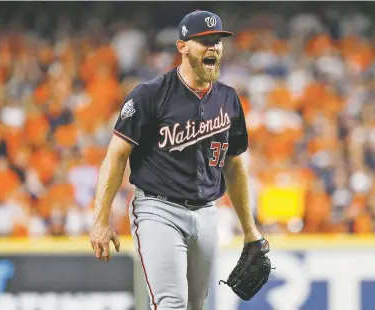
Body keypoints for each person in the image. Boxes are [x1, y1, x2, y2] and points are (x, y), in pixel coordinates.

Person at [89, 10, 266, 310]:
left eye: (218, 41)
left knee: (197, 305)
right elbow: (116, 155)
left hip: (207, 212)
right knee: (172, 303)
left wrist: (250, 229)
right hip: (158, 209)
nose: (213, 47)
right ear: (182, 46)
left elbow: (233, 167)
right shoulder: (150, 95)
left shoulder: (228, 99)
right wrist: (100, 219)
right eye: (204, 41)